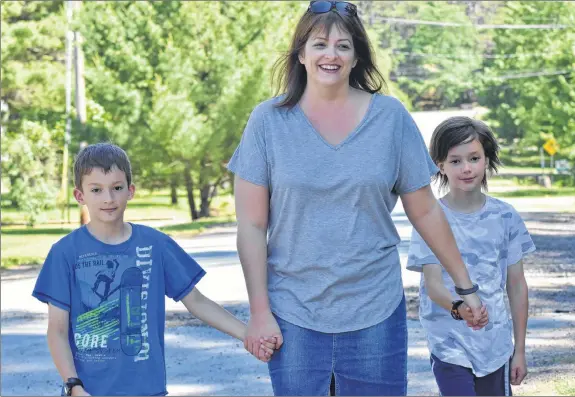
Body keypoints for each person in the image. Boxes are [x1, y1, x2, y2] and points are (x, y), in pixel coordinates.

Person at [227, 1, 488, 395]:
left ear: (355, 57)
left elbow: (427, 212)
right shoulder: (268, 121)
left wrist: (465, 288)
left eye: (343, 46)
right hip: (293, 311)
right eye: (319, 44)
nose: (331, 54)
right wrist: (260, 312)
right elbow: (251, 225)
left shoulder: (390, 118)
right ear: (301, 53)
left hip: (375, 310)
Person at [32, 143, 276, 396]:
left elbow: (197, 302)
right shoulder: (64, 253)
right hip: (88, 391)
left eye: (117, 188)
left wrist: (248, 334)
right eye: (96, 190)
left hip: (148, 390)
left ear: (131, 191)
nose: (108, 198)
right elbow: (57, 331)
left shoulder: (155, 244)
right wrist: (73, 385)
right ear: (79, 195)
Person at [406, 116, 536, 396]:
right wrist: (458, 308)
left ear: (486, 160)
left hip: (495, 346)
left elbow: (516, 285)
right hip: (448, 343)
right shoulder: (429, 218)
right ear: (440, 165)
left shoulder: (506, 217)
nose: (466, 168)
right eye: (455, 161)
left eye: (474, 158)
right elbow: (433, 286)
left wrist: (520, 350)